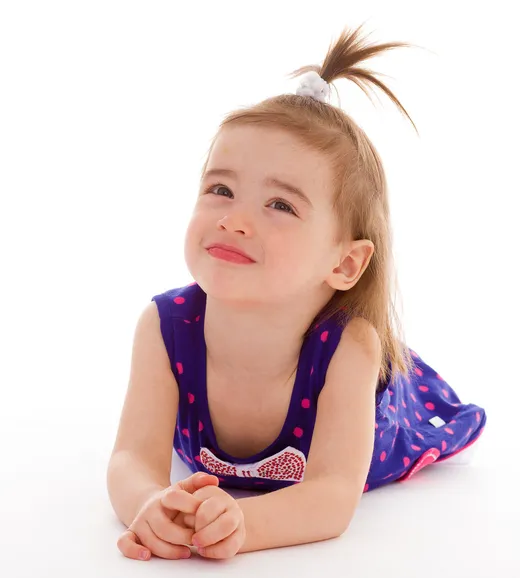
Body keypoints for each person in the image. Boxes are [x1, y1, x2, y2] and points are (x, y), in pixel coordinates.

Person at [107, 24, 486, 562]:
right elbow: (131, 458)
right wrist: (150, 505)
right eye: (221, 190)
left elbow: (332, 496)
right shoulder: (164, 328)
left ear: (345, 262)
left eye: (280, 205)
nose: (235, 220)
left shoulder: (348, 349)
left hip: (378, 430)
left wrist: (243, 522)